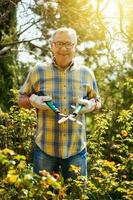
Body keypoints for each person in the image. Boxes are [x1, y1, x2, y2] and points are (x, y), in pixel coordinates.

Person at [18, 27, 101, 182]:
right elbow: (21, 98)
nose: (63, 49)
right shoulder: (38, 70)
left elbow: (97, 101)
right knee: (43, 195)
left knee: (77, 195)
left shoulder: (86, 73)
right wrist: (31, 101)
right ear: (52, 45)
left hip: (76, 149)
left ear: (75, 46)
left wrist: (91, 105)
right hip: (45, 150)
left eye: (69, 44)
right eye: (59, 43)